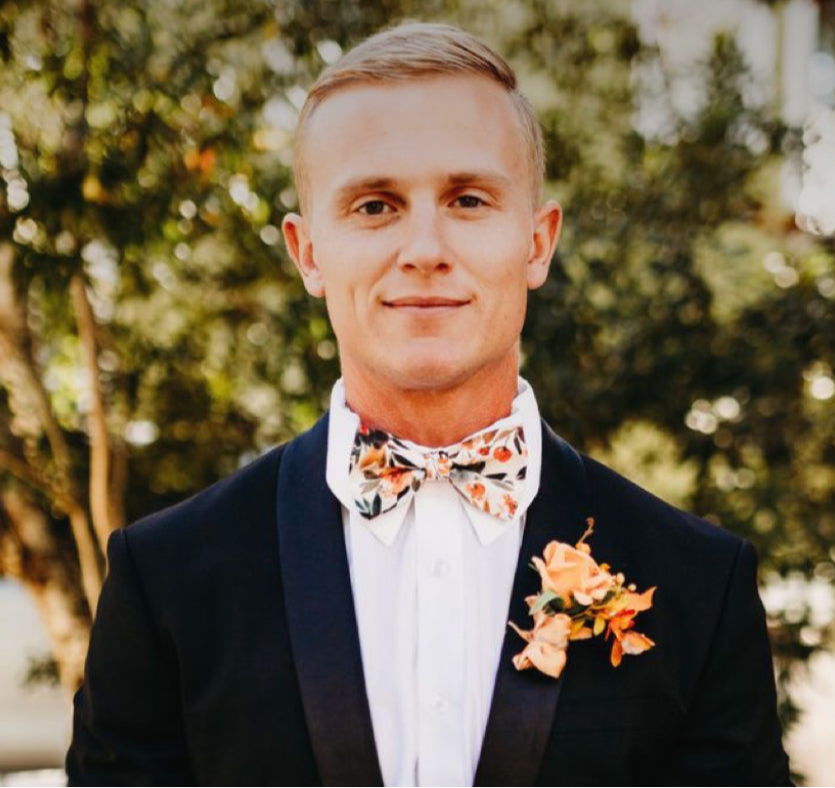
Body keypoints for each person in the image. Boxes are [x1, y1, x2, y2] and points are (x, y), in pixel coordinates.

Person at [66, 21, 793, 788]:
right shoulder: (167, 580)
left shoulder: (696, 585)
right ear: (307, 251)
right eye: (374, 206)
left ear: (537, 242)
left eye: (468, 199)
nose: (422, 247)